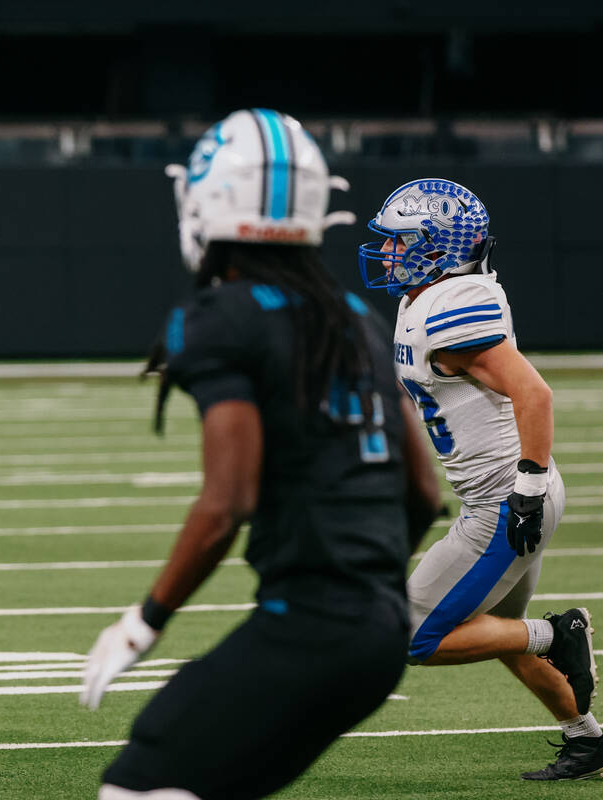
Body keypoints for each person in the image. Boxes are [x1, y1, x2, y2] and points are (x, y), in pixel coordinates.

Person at [79, 109, 443, 800]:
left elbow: (228, 502)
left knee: (140, 781)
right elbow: (422, 491)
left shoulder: (217, 317)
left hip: (312, 622)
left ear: (208, 197)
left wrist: (143, 621)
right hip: (383, 629)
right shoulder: (356, 316)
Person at [357, 178, 603, 780]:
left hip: (505, 502)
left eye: (401, 242)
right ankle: (589, 741)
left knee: (413, 636)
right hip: (505, 496)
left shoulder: (449, 307)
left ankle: (560, 632)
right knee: (498, 632)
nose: (388, 252)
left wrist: (526, 488)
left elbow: (534, 392)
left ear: (439, 247)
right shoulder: (429, 298)